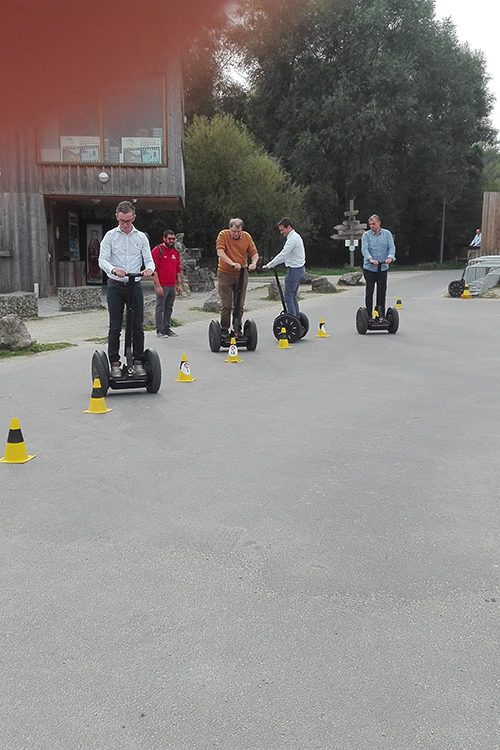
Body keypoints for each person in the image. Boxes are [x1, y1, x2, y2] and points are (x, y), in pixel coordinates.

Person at [98, 200, 155, 378]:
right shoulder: (110, 236)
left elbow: (149, 259)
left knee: (138, 326)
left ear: (134, 218)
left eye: (128, 221)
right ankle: (114, 363)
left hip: (134, 285)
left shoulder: (141, 237)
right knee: (115, 326)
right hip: (116, 285)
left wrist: (149, 269)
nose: (125, 224)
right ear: (117, 217)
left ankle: (138, 361)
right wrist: (113, 269)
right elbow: (102, 260)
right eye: (122, 221)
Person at [216, 218, 259, 335]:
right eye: (234, 231)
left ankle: (237, 328)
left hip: (242, 273)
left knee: (239, 304)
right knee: (226, 305)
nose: (236, 234)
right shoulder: (223, 235)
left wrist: (254, 263)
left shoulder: (246, 237)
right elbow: (220, 252)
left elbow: (254, 253)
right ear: (230, 228)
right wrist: (232, 263)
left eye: (238, 231)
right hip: (225, 273)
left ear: (241, 230)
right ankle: (224, 329)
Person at [262, 217, 306, 317]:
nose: (281, 232)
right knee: (292, 296)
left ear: (289, 227)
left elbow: (283, 255)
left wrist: (269, 265)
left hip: (294, 270)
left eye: (282, 230)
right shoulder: (295, 237)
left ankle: (292, 318)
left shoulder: (293, 239)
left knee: (288, 296)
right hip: (298, 269)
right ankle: (296, 318)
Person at [361, 214, 396, 318]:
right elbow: (364, 249)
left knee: (382, 291)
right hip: (369, 268)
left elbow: (391, 247)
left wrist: (390, 257)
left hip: (383, 267)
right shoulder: (366, 235)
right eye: (370, 224)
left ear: (379, 223)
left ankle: (381, 314)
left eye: (374, 224)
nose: (372, 226)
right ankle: (369, 314)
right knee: (369, 291)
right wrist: (370, 259)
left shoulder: (387, 234)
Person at [152, 229, 182, 337]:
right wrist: (158, 286)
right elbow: (153, 269)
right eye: (169, 239)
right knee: (160, 307)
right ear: (164, 238)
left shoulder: (175, 252)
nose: (172, 241)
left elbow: (178, 269)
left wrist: (179, 284)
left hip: (172, 284)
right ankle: (159, 330)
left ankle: (167, 328)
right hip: (162, 284)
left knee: (169, 307)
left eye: (173, 239)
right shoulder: (157, 250)